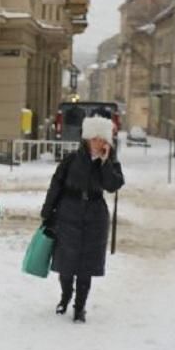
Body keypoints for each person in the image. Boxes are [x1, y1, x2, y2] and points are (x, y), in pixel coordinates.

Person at [40, 114, 125, 322]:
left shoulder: (110, 162)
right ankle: (65, 297)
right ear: (86, 139)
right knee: (66, 265)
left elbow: (113, 185)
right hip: (69, 214)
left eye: (103, 139)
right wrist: (47, 212)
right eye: (95, 138)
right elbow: (56, 186)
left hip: (95, 217)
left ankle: (80, 307)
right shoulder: (71, 160)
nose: (99, 143)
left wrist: (105, 163)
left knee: (86, 267)